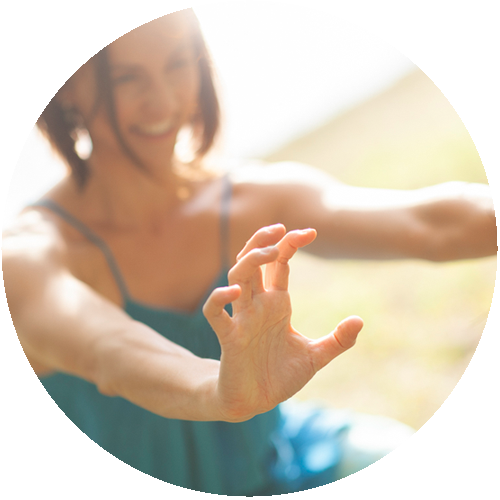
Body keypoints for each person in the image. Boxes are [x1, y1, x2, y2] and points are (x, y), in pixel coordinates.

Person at [3, 9, 496, 496]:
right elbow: (111, 353)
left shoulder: (249, 199)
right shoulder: (29, 257)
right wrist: (219, 391)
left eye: (179, 63)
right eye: (127, 78)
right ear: (68, 88)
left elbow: (430, 224)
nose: (164, 101)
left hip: (283, 464)